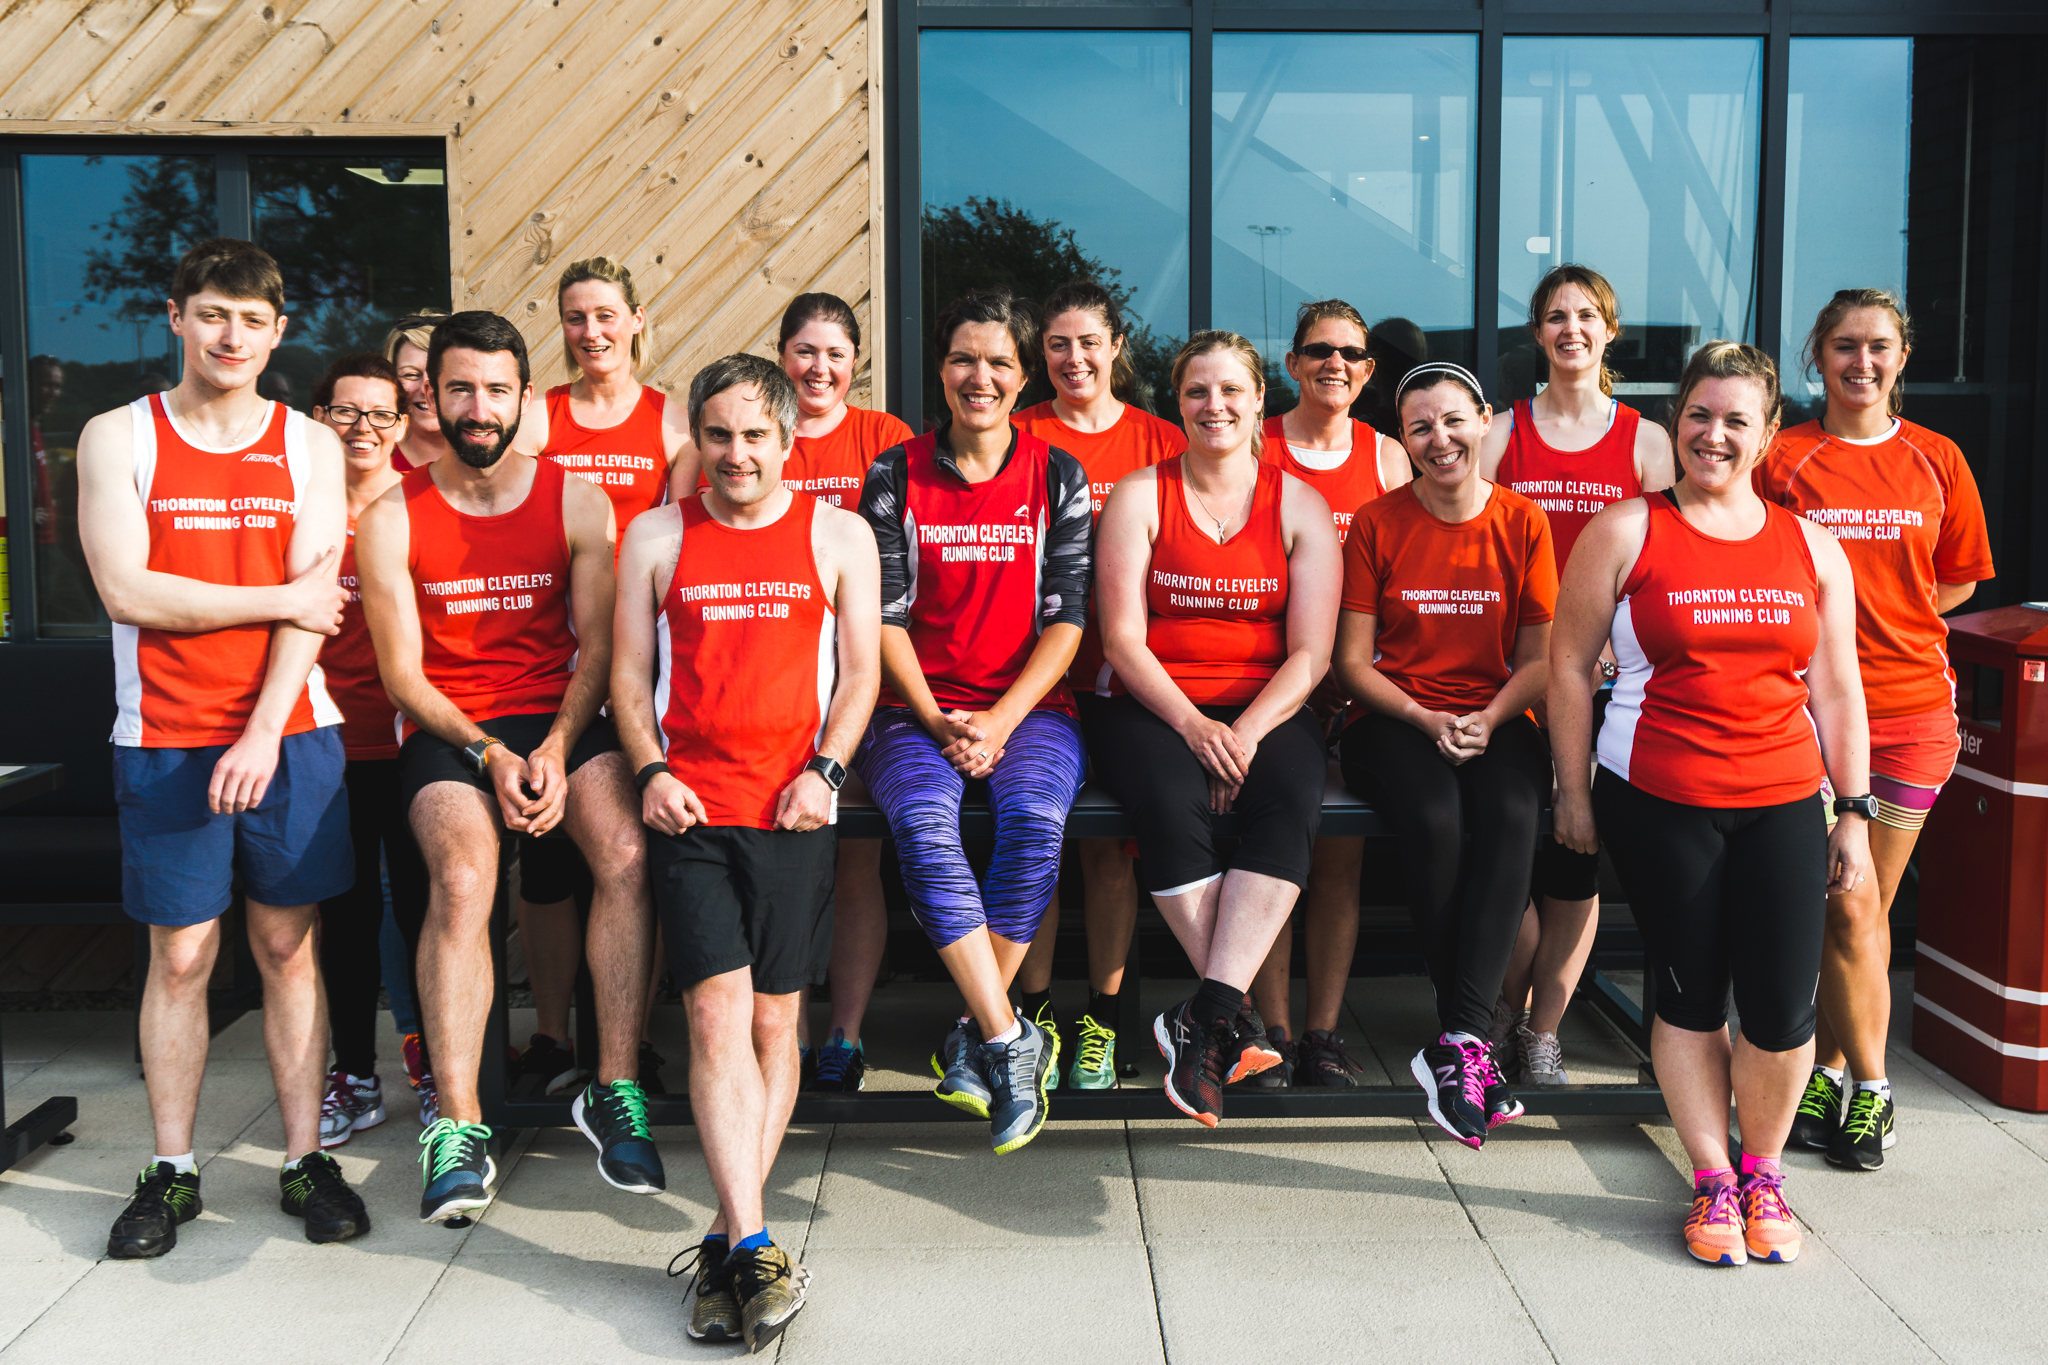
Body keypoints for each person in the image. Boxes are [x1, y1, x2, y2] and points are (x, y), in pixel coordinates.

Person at [75, 237, 368, 1255]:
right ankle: (173, 1169)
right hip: (161, 732)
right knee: (183, 952)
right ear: (175, 317)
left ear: (278, 331)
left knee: (287, 947)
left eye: (251, 319)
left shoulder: (308, 445)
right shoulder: (118, 437)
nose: (230, 335)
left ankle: (302, 1160)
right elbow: (127, 590)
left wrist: (256, 729)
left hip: (287, 733)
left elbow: (313, 613)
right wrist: (277, 595)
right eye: (212, 314)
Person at [1552, 341, 1872, 1267]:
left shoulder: (1812, 545)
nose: (1715, 434)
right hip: (1660, 797)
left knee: (1780, 1006)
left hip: (1782, 799)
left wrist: (1852, 808)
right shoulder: (1623, 531)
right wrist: (1573, 790)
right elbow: (1571, 667)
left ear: (1769, 434)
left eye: (1738, 419)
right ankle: (1711, 1175)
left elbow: (1840, 688)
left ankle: (1763, 1167)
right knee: (1690, 993)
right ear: (1675, 421)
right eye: (1700, 415)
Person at [355, 311, 660, 1221]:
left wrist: (559, 750)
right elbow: (401, 675)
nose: (477, 407)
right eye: (459, 388)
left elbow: (600, 646)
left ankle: (614, 1086)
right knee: (464, 874)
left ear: (527, 398)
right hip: (451, 729)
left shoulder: (576, 500)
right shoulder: (389, 516)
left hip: (560, 713)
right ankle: (458, 1125)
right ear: (431, 394)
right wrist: (490, 753)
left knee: (627, 853)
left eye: (496, 390)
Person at [614, 352, 878, 1350]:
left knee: (777, 1027)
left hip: (794, 813)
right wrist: (647, 772)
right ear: (698, 440)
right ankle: (759, 1237)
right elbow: (629, 683)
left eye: (754, 435)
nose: (736, 454)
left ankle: (728, 1240)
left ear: (788, 438)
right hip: (691, 813)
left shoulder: (837, 534)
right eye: (718, 435)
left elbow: (857, 678)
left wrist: (827, 771)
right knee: (715, 1018)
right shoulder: (653, 536)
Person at [1758, 289, 1994, 1170]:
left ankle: (1841, 1077)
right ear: (1817, 355)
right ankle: (1861, 1080)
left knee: (1860, 905)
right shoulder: (1781, 456)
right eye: (1845, 346)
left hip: (1912, 716)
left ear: (1903, 357)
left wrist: (1887, 625)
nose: (1863, 362)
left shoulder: (1937, 458)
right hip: (1803, 716)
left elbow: (1960, 578)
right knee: (1847, 906)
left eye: (1880, 347)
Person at [854, 288, 1092, 1153]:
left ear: (1023, 376)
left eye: (998, 362)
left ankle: (971, 1030)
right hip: (910, 708)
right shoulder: (894, 472)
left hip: (1027, 709)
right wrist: (937, 716)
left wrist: (996, 718)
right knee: (923, 821)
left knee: (1033, 819)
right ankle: (1005, 1037)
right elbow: (880, 616)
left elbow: (1068, 619)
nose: (978, 377)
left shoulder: (1058, 475)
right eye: (963, 359)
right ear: (941, 370)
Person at [1092, 330, 1341, 1129]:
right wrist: (1196, 725)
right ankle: (1224, 1017)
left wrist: (1247, 732)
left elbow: (1311, 653)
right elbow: (1123, 639)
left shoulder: (1298, 504)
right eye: (1198, 391)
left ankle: (1202, 1019)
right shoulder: (1140, 494)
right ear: (1178, 402)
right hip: (1158, 702)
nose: (1215, 406)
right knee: (1168, 804)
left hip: (1267, 706)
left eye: (1232, 390)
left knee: (1294, 799)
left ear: (1259, 400)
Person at [1335, 362, 1555, 1148]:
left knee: (1513, 810)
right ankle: (1468, 1039)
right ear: (1403, 437)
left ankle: (1459, 1041)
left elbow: (1541, 657)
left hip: (1495, 714)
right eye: (1420, 426)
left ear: (1484, 421)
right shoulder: (1376, 521)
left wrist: (1491, 717)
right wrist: (1428, 717)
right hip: (1394, 715)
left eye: (1454, 421)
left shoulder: (1524, 521)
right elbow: (1352, 662)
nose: (1440, 439)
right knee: (1433, 817)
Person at [1478, 263, 1676, 1087]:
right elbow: (1468, 551)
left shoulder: (1645, 440)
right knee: (1512, 850)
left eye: (1586, 315)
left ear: (1609, 330)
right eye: (1555, 316)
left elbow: (1670, 564)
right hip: (1513, 675)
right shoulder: (1500, 432)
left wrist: (1610, 646)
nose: (1571, 329)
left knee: (1576, 858)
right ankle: (1496, 1012)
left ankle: (1543, 1030)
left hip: (1609, 680)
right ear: (1537, 333)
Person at [509, 258, 698, 1100]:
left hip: (643, 663)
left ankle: (636, 1036)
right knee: (546, 867)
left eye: (606, 315)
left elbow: (689, 540)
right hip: (550, 658)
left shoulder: (670, 420)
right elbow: (512, 517)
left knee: (638, 853)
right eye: (576, 317)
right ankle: (552, 1031)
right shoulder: (538, 417)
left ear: (636, 319)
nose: (592, 332)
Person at [1010, 278, 1186, 1091]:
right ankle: (1034, 1016)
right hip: (1032, 673)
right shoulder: (1015, 434)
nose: (1073, 358)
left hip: (1126, 678)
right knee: (1036, 844)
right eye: (1056, 344)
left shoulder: (1160, 440)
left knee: (1112, 857)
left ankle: (1102, 1023)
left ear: (1118, 346)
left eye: (1088, 342)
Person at [1246, 299, 1413, 1089]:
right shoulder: (1257, 441)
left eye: (1350, 352)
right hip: (1269, 682)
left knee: (1339, 862)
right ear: (1292, 364)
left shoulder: (1386, 458)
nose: (1334, 364)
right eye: (1317, 350)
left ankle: (1324, 1032)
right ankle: (1272, 1025)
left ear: (1369, 369)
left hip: (1353, 683)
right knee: (1271, 856)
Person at [765, 292, 913, 1096]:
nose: (818, 368)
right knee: (775, 858)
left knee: (854, 859)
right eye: (804, 351)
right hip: (768, 670)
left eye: (834, 353)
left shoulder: (884, 439)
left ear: (854, 362)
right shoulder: (755, 432)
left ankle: (844, 1035)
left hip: (858, 672)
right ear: (781, 354)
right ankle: (776, 1031)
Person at [309, 353, 434, 1146]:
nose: (364, 428)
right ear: (320, 415)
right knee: (346, 916)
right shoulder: (298, 505)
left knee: (424, 907)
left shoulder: (418, 505)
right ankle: (353, 1074)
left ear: (402, 420)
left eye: (381, 414)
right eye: (346, 412)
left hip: (406, 741)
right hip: (322, 743)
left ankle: (433, 1069)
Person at [384, 311, 452, 474]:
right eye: (411, 375)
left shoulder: (488, 453)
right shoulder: (378, 456)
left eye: (439, 373)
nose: (426, 388)